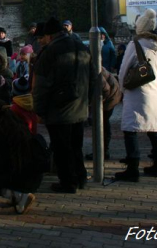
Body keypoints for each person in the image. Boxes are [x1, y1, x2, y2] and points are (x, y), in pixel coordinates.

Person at [33, 17, 92, 193]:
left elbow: (41, 84)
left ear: (50, 35)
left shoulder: (50, 52)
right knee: (76, 145)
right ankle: (80, 177)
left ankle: (68, 182)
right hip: (80, 105)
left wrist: (39, 110)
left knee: (61, 147)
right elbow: (93, 76)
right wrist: (88, 100)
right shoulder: (81, 46)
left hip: (59, 108)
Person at [115, 9, 157, 182]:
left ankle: (132, 168)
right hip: (154, 91)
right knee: (154, 128)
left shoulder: (135, 44)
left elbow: (123, 71)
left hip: (136, 92)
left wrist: (122, 89)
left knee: (130, 129)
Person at [0, 99, 43, 214]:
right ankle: (17, 197)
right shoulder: (15, 123)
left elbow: (2, 160)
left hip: (23, 174)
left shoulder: (3, 130)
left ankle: (20, 196)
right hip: (33, 170)